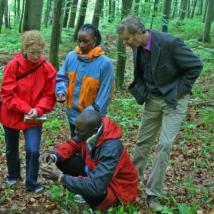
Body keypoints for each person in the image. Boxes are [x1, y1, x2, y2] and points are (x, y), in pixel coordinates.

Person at [117, 16, 203, 209]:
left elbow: (196, 66)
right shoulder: (137, 47)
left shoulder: (170, 43)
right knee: (142, 143)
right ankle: (131, 185)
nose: (125, 43)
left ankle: (152, 194)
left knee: (164, 145)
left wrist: (179, 91)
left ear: (139, 33)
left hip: (174, 101)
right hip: (152, 100)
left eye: (127, 38)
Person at [41, 110, 138, 212]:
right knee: (61, 160)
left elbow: (97, 186)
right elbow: (72, 144)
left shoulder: (111, 148)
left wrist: (61, 177)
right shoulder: (89, 130)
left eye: (79, 131)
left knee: (93, 188)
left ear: (94, 131)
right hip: (96, 173)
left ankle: (101, 206)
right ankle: (83, 192)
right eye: (76, 129)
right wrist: (54, 156)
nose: (75, 132)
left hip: (118, 192)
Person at [0, 30, 56, 193]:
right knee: (11, 148)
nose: (36, 56)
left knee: (33, 150)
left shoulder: (46, 67)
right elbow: (7, 93)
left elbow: (49, 93)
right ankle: (13, 174)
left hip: (34, 117)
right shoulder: (13, 66)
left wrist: (38, 110)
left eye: (39, 52)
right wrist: (26, 108)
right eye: (32, 52)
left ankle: (31, 182)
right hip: (11, 114)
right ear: (24, 49)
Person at [56, 24, 114, 137]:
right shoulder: (71, 57)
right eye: (79, 41)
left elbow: (105, 94)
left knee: (89, 150)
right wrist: (61, 91)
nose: (82, 45)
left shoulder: (105, 63)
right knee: (75, 147)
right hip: (72, 115)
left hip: (91, 120)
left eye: (86, 41)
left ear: (94, 40)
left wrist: (91, 114)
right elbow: (62, 78)